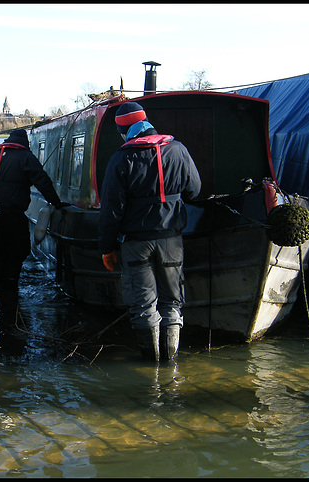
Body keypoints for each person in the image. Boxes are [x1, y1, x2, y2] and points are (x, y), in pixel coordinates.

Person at [98, 102, 201, 361]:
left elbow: (111, 210)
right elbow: (194, 190)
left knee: (143, 305)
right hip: (172, 239)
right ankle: (170, 364)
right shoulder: (178, 150)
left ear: (124, 131)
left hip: (136, 243)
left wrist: (107, 248)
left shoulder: (120, 159)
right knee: (172, 301)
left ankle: (150, 365)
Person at [0, 128, 68, 291]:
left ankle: (0, 281)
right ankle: (11, 282)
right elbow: (43, 182)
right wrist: (57, 203)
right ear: (25, 142)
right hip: (14, 212)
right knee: (21, 247)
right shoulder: (26, 157)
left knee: (2, 248)